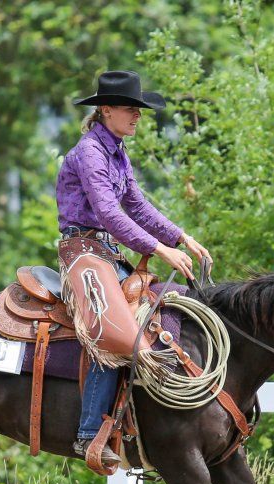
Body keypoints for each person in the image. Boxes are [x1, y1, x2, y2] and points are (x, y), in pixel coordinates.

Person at [58, 70, 213, 461]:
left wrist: (181, 237)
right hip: (83, 254)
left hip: (107, 254)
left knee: (159, 313)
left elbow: (137, 206)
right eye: (130, 109)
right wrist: (161, 250)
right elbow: (110, 214)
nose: (137, 116)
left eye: (139, 110)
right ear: (106, 110)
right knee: (114, 333)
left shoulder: (117, 152)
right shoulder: (90, 152)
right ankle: (89, 433)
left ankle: (146, 424)